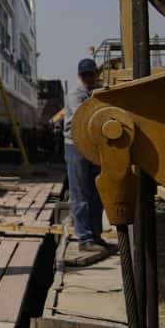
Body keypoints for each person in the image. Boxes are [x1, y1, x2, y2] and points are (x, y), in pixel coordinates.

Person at [64, 58, 112, 256]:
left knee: (96, 193)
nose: (89, 78)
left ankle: (96, 235)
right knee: (80, 193)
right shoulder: (76, 94)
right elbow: (84, 119)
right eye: (85, 75)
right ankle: (84, 239)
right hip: (76, 146)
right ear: (79, 76)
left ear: (96, 74)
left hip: (94, 146)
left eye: (91, 74)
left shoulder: (97, 91)